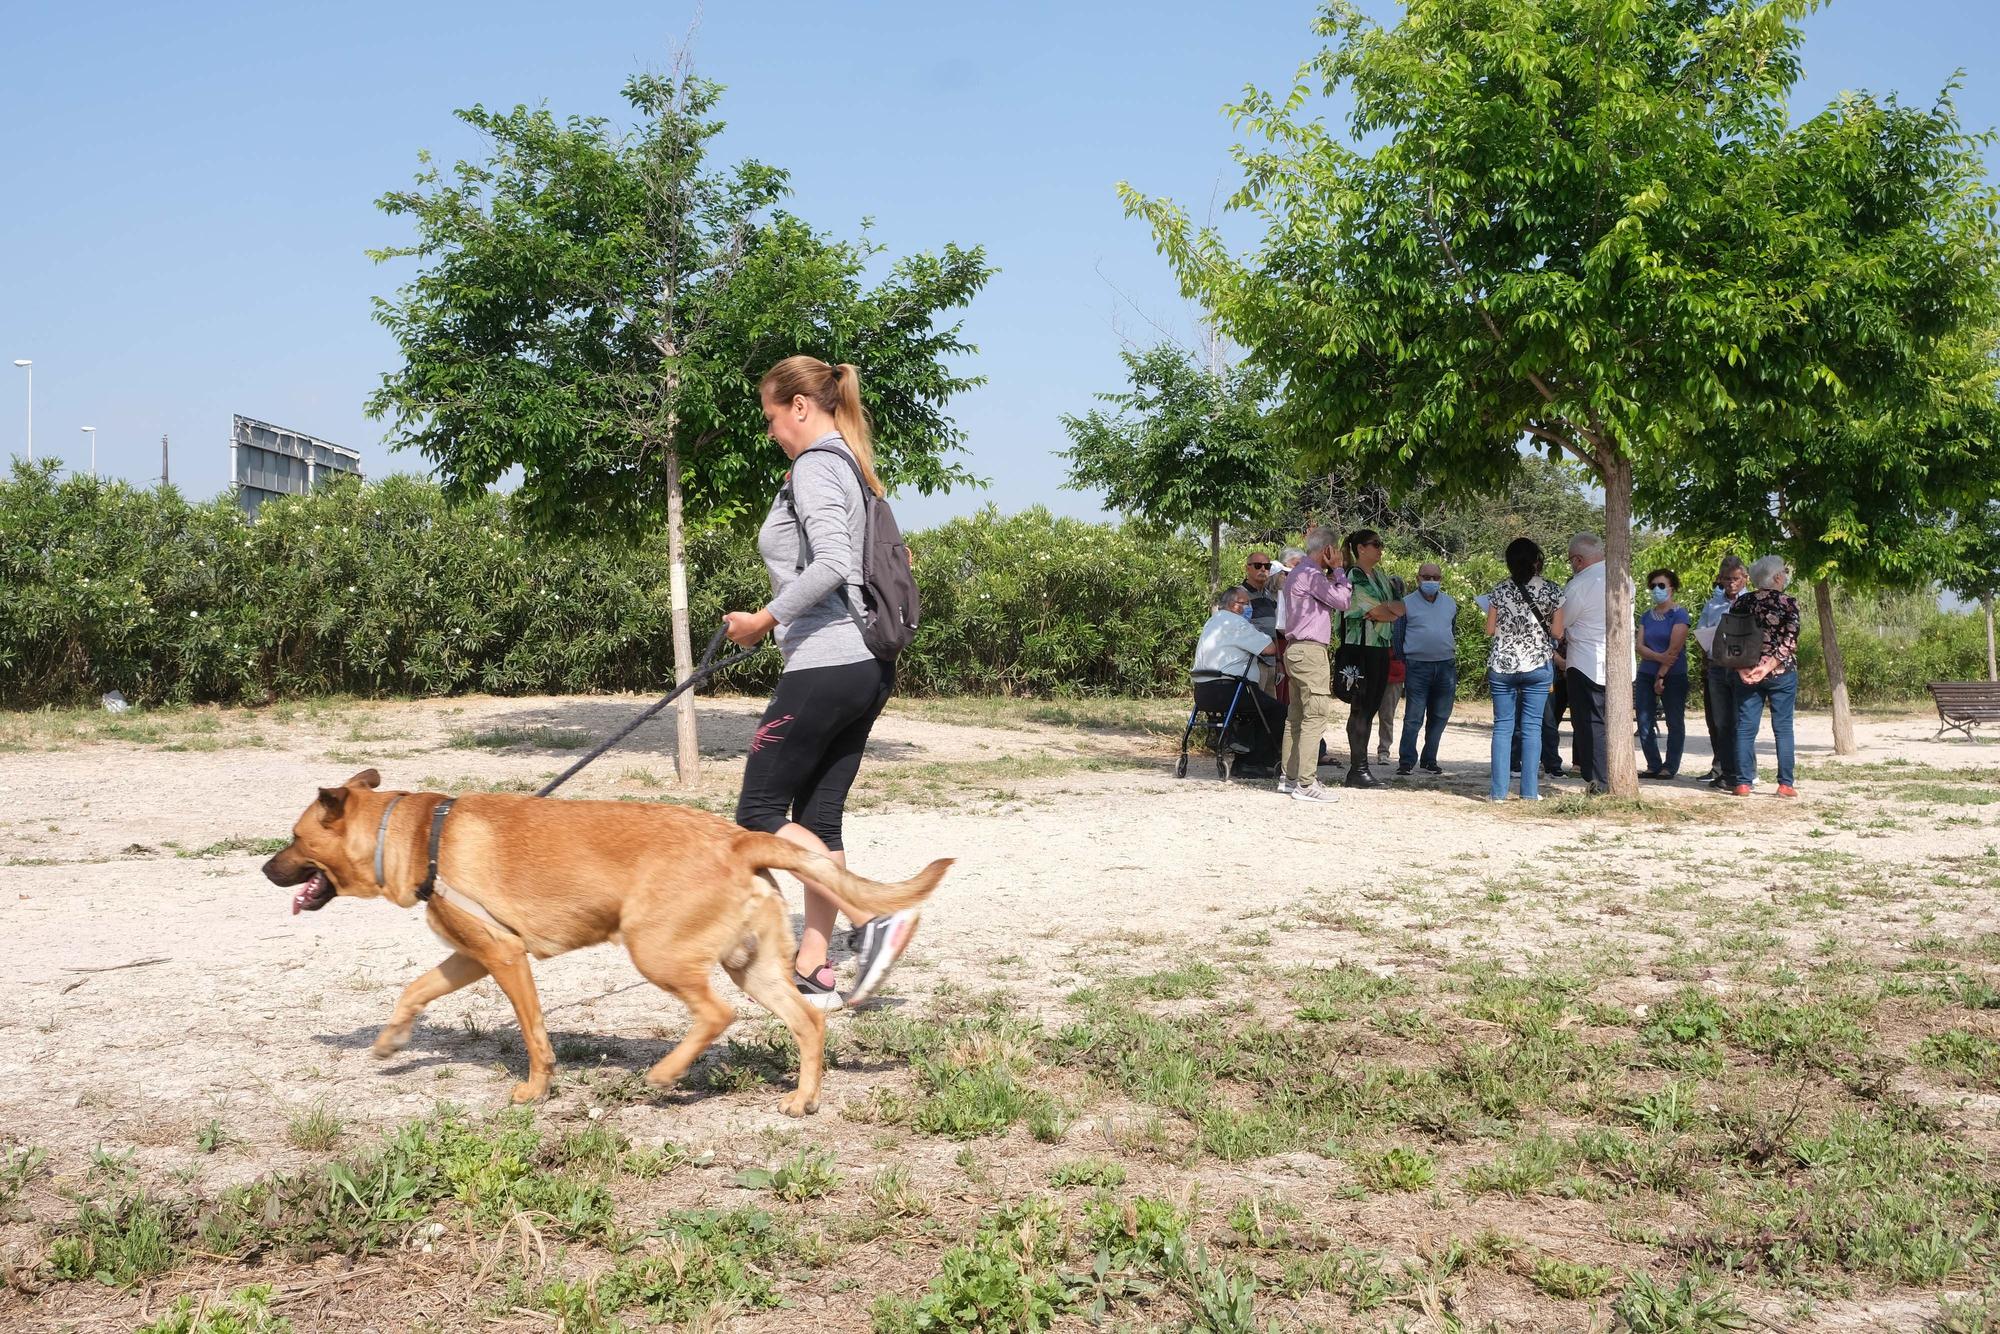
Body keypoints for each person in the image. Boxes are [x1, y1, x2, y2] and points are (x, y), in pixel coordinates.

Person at [722, 355, 919, 1012]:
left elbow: (834, 563)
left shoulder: (815, 466)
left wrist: (762, 621)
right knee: (819, 817)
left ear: (800, 407)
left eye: (771, 418)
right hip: (865, 665)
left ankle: (874, 918)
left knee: (757, 817)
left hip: (828, 663)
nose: (771, 431)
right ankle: (815, 965)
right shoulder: (851, 469)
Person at [1482, 538, 1564, 801]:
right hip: (1537, 664)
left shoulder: (1498, 591)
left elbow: (1490, 630)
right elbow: (1558, 632)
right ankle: (1529, 793)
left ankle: (1498, 793)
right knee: (1532, 728)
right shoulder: (1553, 591)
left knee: (1503, 727)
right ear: (1536, 560)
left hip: (1502, 664)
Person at [1551, 533, 1632, 794]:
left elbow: (1562, 624)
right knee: (1614, 722)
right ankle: (1617, 775)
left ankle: (1599, 780)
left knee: (1590, 723)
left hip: (1586, 662)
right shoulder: (1624, 578)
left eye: (1571, 561)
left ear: (1578, 559)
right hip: (1621, 663)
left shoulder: (1578, 585)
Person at [1277, 527, 1351, 802]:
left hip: (1295, 649)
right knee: (1315, 715)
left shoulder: (1297, 573)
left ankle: (1290, 776)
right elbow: (1343, 601)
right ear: (1328, 551)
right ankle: (1306, 783)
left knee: (1295, 716)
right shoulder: (1311, 575)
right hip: (1310, 651)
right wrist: (1340, 571)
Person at [1191, 587, 1282, 776]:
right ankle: (1253, 762)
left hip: (1202, 693)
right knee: (1278, 711)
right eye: (1246, 603)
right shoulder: (1237, 623)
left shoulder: (1212, 621)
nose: (1249, 607)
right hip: (1230, 690)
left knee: (1258, 707)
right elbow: (1270, 648)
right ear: (1234, 605)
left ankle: (1245, 757)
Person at [1337, 529, 1403, 789]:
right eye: (1375, 544)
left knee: (1371, 708)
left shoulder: (1382, 576)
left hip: (1380, 646)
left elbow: (1399, 609)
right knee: (1361, 708)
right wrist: (1384, 611)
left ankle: (1360, 769)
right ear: (1360, 548)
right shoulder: (1354, 576)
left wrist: (1385, 611)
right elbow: (1376, 610)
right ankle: (1358, 770)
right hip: (1360, 647)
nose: (1380, 548)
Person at [1732, 555, 1802, 798]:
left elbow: (1731, 639)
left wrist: (1742, 668)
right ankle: (1785, 784)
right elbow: (1789, 640)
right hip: (1781, 673)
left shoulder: (1742, 603)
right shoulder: (1788, 603)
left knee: (1745, 727)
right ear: (1777, 577)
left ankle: (1742, 783)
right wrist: (1769, 666)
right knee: (1783, 728)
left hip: (1747, 673)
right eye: (1783, 571)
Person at [1396, 561, 1458, 776]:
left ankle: (1429, 759)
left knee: (1440, 715)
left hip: (1445, 666)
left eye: (1435, 577)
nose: (1431, 581)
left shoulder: (1450, 603)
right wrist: (1404, 659)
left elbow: (1452, 630)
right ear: (1418, 578)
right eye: (1426, 576)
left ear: (1441, 580)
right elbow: (1398, 636)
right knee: (1413, 716)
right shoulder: (1405, 603)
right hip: (1417, 666)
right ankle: (1406, 760)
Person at [1694, 555, 1749, 789]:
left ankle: (1745, 771)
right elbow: (1701, 631)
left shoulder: (1751, 602)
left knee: (1742, 721)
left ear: (1745, 579)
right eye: (1726, 579)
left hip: (1742, 667)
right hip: (1717, 665)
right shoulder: (1713, 604)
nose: (1731, 583)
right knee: (1720, 722)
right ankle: (1725, 772)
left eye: (1736, 579)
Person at [1636, 568, 1692, 779]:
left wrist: (1661, 674)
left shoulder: (1680, 614)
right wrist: (1659, 659)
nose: (1656, 590)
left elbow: (1675, 649)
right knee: (1643, 720)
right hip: (1646, 673)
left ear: (1672, 588)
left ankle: (1670, 766)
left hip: (1674, 675)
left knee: (1674, 721)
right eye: (1653, 586)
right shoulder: (1646, 616)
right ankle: (1653, 764)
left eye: (1661, 585)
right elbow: (1639, 646)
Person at [1233, 552, 1282, 636]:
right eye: (1258, 565)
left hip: (1270, 647)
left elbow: (1272, 629)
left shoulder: (1269, 596)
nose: (1263, 569)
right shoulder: (1237, 595)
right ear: (1247, 568)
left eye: (1267, 566)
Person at [1378, 615, 1406, 765]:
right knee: (1364, 713)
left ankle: (1384, 750)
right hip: (1374, 667)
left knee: (1387, 715)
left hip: (1394, 671)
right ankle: (1359, 751)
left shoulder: (1403, 615)